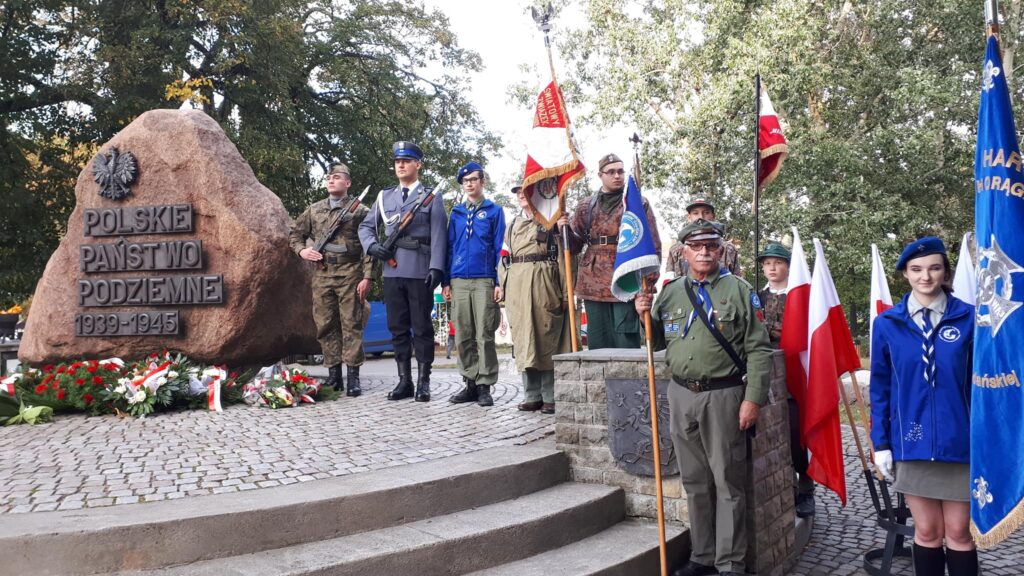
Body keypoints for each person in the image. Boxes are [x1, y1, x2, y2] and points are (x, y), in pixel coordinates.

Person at [635, 219, 771, 576]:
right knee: (695, 482)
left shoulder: (740, 291)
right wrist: (642, 314)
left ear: (721, 249)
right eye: (697, 247)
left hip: (724, 396)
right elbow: (656, 341)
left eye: (711, 245)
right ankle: (703, 555)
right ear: (684, 252)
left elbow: (759, 349)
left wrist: (753, 398)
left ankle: (730, 564)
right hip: (681, 394)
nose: (705, 252)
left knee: (728, 482)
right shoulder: (672, 291)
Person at [870, 237, 977, 576]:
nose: (925, 277)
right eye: (916, 269)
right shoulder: (888, 324)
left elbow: (986, 388)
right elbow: (880, 388)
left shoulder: (971, 320)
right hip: (911, 442)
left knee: (959, 533)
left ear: (945, 272)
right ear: (905, 274)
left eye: (934, 268)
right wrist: (882, 443)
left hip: (961, 445)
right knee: (927, 533)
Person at [358, 141, 447, 402]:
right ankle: (404, 381)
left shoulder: (431, 197)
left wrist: (437, 268)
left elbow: (439, 235)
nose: (400, 165)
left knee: (421, 329)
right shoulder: (385, 197)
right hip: (392, 270)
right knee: (397, 328)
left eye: (406, 161)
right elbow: (366, 227)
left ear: (417, 165)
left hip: (420, 269)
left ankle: (424, 382)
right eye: (398, 161)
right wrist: (373, 247)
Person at [289, 162, 372, 396]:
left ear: (348, 183)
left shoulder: (361, 211)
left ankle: (353, 378)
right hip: (322, 274)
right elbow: (295, 234)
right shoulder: (314, 210)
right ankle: (334, 375)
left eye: (336, 177)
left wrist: (367, 277)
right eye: (328, 177)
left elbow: (369, 246)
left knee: (351, 324)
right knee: (325, 325)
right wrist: (302, 251)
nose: (331, 180)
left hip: (350, 274)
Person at [565, 153, 660, 349]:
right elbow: (574, 247)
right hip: (592, 284)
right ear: (600, 175)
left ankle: (628, 381)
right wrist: (563, 229)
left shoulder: (637, 203)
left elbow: (652, 246)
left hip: (626, 281)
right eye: (611, 172)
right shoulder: (585, 206)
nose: (617, 176)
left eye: (620, 171)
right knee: (597, 343)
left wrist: (647, 285)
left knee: (626, 343)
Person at [503, 185, 578, 414]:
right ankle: (531, 395)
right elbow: (504, 259)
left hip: (545, 282)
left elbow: (567, 259)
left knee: (547, 337)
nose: (521, 196)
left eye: (526, 191)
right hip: (517, 285)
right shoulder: (512, 225)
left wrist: (566, 292)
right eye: (518, 193)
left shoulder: (551, 221)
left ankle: (549, 395)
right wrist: (504, 286)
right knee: (524, 340)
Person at [756, 242, 815, 518]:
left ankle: (805, 485)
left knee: (794, 433)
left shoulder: (800, 296)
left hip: (793, 371)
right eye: (767, 264)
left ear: (788, 266)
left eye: (777, 263)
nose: (771, 268)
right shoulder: (755, 296)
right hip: (764, 370)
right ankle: (782, 485)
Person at [443, 162, 506, 407]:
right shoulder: (456, 213)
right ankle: (469, 382)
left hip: (484, 280)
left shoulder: (494, 211)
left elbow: (501, 246)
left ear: (483, 182)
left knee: (484, 334)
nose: (469, 184)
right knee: (463, 334)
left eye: (474, 179)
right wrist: (445, 280)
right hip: (458, 280)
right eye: (465, 180)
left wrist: (498, 280)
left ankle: (484, 385)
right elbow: (449, 248)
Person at [667, 198, 742, 278]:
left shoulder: (728, 249)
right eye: (695, 213)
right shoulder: (676, 250)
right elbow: (669, 281)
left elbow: (737, 281)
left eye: (706, 212)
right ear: (689, 217)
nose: (701, 217)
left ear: (713, 216)